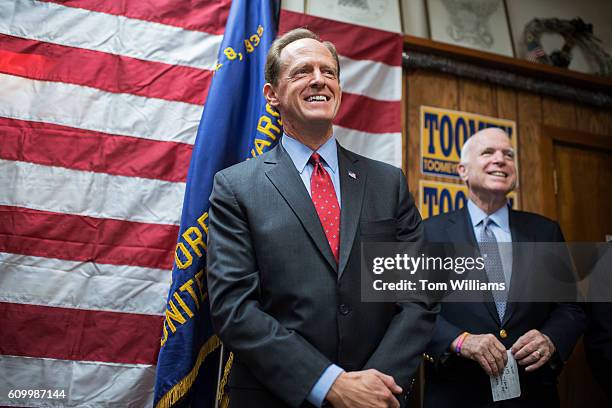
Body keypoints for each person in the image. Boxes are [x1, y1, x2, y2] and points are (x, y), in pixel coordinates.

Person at [206, 28, 437, 408]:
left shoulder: (388, 183)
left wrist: (376, 387)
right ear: (272, 95)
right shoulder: (236, 188)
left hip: (381, 397)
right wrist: (329, 384)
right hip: (276, 397)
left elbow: (416, 298)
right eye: (302, 72)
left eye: (329, 72)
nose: (319, 80)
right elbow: (235, 309)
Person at [422, 127, 586, 407]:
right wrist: (459, 341)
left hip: (533, 395)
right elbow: (410, 307)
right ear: (463, 170)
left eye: (508, 155)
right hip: (456, 393)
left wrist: (551, 338)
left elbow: (570, 307)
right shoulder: (428, 232)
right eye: (488, 152)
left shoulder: (544, 232)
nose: (501, 159)